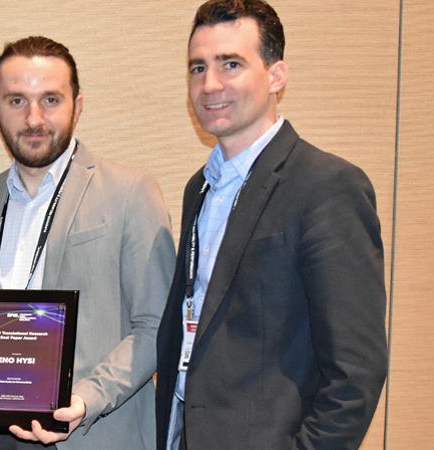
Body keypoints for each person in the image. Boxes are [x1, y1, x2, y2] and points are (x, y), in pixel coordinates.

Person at [155, 1, 388, 449]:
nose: (210, 84)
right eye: (198, 67)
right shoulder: (198, 189)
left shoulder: (326, 185)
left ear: (276, 75)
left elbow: (356, 374)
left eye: (231, 64)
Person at [0, 36, 175, 449]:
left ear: (77, 105)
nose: (33, 118)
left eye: (50, 99)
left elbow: (158, 325)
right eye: (16, 101)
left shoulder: (130, 190)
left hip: (95, 433)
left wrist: (85, 399)